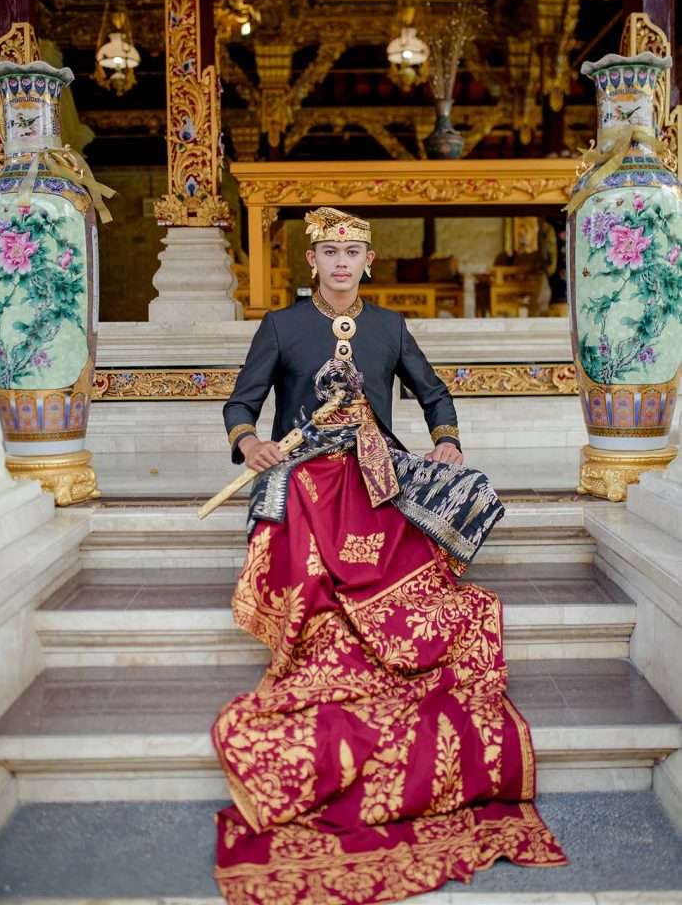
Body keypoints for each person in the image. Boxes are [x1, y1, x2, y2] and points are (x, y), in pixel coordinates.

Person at [212, 207, 566, 905]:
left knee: (463, 489)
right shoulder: (281, 325)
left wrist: (446, 440)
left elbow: (434, 393)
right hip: (304, 469)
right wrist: (250, 443)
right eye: (330, 252)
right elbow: (239, 405)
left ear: (368, 262)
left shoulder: (390, 327)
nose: (341, 263)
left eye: (353, 252)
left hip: (379, 468)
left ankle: (398, 610)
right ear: (312, 262)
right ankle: (327, 613)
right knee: (299, 505)